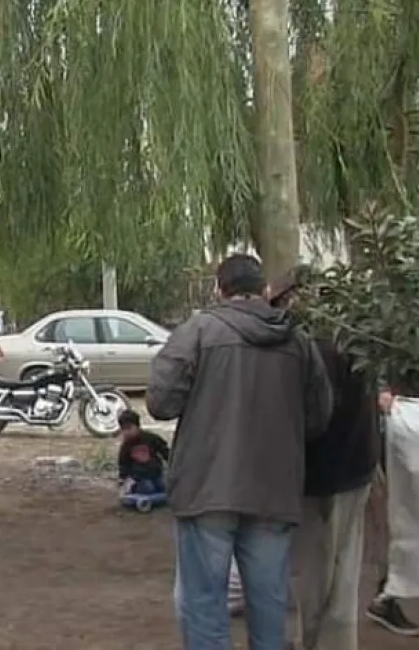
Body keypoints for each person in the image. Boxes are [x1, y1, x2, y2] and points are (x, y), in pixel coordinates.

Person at [148, 253, 333, 650]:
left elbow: (160, 402)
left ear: (220, 289)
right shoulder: (298, 341)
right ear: (264, 290)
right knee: (269, 603)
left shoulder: (197, 332)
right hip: (274, 489)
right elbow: (319, 416)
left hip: (206, 488)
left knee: (204, 604)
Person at [267, 270, 381, 650]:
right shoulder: (357, 338)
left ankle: (312, 643)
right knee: (344, 573)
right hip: (359, 466)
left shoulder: (301, 347)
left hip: (317, 476)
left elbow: (308, 417)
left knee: (313, 578)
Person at [365, 388, 419, 636]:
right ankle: (386, 595)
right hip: (391, 431)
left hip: (414, 422)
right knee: (391, 517)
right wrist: (380, 392)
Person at [117, 409, 170, 497]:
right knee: (149, 488)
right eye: (124, 429)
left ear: (138, 426)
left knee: (164, 486)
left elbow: (163, 449)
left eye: (129, 428)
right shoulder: (126, 446)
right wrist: (123, 478)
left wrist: (170, 459)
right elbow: (123, 463)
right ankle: (132, 487)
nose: (127, 432)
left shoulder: (150, 438)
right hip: (139, 477)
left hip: (155, 473)